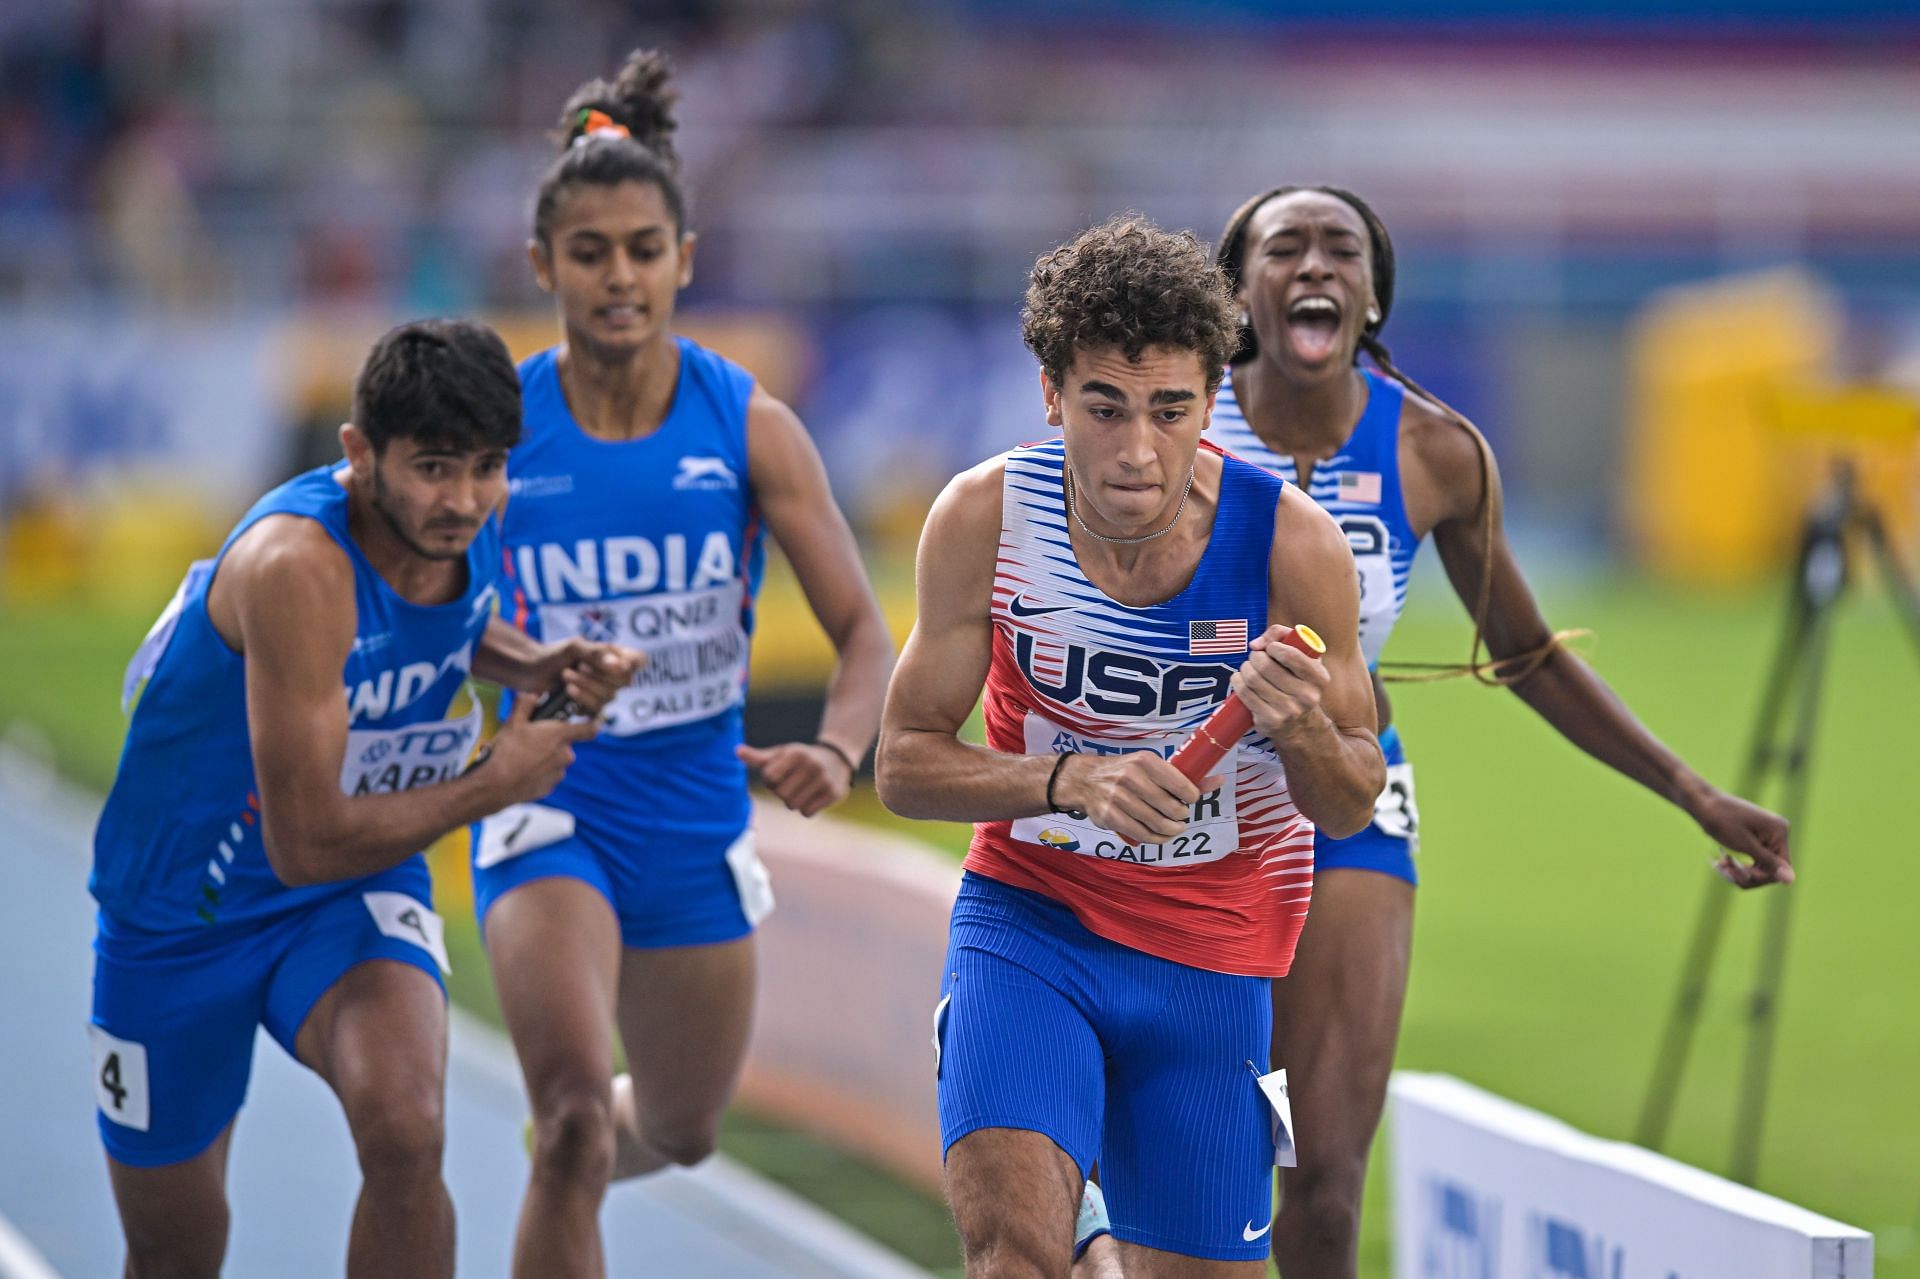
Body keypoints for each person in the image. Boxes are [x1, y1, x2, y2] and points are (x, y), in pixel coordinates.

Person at [1207, 184, 1795, 1278]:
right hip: (1181, 809)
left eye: (1343, 249)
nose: (1315, 266)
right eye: (1284, 247)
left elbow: (1523, 655)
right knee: (1219, 1154)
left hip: (1346, 795)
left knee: (1321, 1175)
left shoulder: (1435, 452)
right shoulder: (1174, 425)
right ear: (1240, 289)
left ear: (1374, 294)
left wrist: (1690, 788)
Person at [876, 214, 1386, 1277]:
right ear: (1053, 393)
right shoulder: (984, 517)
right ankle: (1074, 1228)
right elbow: (904, 763)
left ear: (1213, 402)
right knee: (1015, 1254)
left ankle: (1104, 1234)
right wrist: (1071, 780)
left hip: (1215, 961)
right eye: (1105, 406)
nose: (1138, 451)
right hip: (1033, 925)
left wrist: (1298, 728)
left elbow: (1348, 804)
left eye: (1171, 410)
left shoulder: (1293, 546)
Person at [88, 318, 638, 1279]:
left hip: (348, 894)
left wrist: (533, 658)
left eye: (486, 467)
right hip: (184, 913)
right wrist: (493, 781)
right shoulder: (294, 566)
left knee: (407, 1129)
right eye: (432, 468)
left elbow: (446, 614)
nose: (463, 499)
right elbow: (305, 840)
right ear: (357, 453)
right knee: (176, 1248)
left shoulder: (462, 515)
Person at [468, 49, 897, 1278]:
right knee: (568, 1126)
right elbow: (416, 599)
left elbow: (865, 632)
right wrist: (527, 659)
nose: (619, 276)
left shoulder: (747, 423)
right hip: (549, 802)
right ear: (544, 265)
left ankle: (582, 1146)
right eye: (590, 250)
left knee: (682, 1127)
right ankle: (565, 1150)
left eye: (643, 249)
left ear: (685, 260)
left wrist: (834, 745)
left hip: (697, 814)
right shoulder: (496, 423)